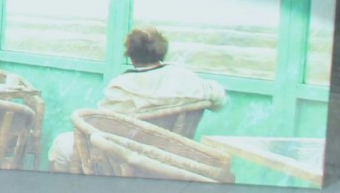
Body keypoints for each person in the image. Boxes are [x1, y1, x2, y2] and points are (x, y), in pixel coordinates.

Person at [48, 26, 227, 172]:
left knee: (61, 144)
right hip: (173, 163)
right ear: (162, 51)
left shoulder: (121, 86)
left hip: (124, 162)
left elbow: (101, 126)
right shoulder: (186, 78)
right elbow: (219, 100)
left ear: (130, 55)